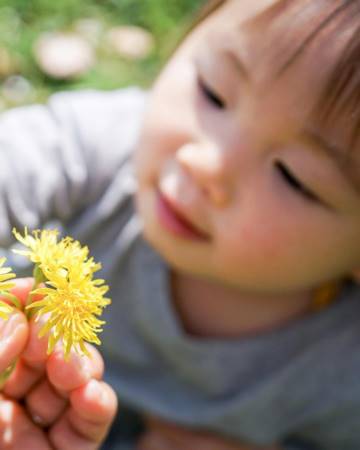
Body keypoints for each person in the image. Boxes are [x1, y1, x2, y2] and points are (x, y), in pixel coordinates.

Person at [0, 0, 359, 448]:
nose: (205, 162)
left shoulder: (344, 368)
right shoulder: (107, 149)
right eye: (213, 92)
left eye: (293, 175)